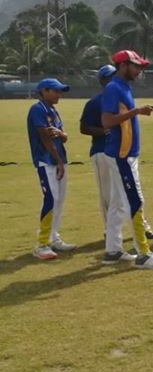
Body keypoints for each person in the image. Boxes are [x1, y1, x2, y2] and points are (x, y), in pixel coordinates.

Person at [101, 50, 153, 269]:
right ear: (123, 66)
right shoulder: (114, 88)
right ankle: (143, 254)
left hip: (125, 154)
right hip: (122, 156)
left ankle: (113, 250)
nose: (140, 70)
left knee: (117, 205)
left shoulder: (123, 86)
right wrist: (136, 111)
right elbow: (106, 121)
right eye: (136, 66)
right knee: (135, 202)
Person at [81, 64, 153, 242]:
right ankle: (108, 230)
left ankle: (143, 226)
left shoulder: (122, 95)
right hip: (101, 152)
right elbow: (84, 127)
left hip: (121, 151)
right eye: (109, 77)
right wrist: (103, 131)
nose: (113, 79)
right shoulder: (95, 102)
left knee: (128, 194)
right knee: (108, 195)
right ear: (102, 81)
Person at [27, 78, 76, 260]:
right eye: (55, 91)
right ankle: (41, 244)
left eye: (60, 91)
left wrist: (62, 134)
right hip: (46, 161)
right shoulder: (37, 110)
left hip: (59, 160)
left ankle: (53, 237)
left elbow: (63, 137)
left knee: (59, 200)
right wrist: (58, 161)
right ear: (44, 91)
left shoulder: (53, 111)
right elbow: (45, 138)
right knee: (51, 199)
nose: (58, 94)